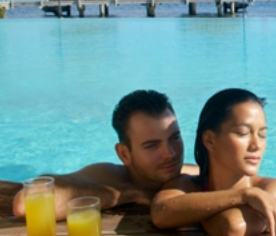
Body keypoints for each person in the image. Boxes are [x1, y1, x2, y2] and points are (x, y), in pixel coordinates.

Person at [151, 88, 276, 236]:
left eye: (262, 135)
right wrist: (245, 195)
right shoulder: (187, 184)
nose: (256, 145)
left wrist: (193, 212)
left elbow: (234, 227)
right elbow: (161, 213)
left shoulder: (274, 189)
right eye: (243, 133)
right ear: (210, 140)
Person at [13, 90, 197, 220]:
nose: (170, 153)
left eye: (175, 138)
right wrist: (129, 193)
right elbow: (26, 203)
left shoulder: (194, 175)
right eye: (152, 146)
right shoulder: (111, 177)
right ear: (124, 154)